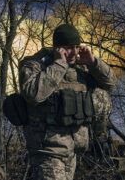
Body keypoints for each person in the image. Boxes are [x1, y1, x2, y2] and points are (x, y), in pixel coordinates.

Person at [19, 23, 116, 180]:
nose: (74, 52)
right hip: (48, 153)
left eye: (77, 47)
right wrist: (59, 64)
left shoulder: (80, 68)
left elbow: (111, 84)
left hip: (73, 153)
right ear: (57, 48)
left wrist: (93, 62)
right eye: (68, 47)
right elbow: (33, 94)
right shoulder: (36, 65)